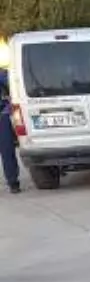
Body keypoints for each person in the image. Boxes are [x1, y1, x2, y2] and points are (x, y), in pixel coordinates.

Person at [0, 66, 21, 194]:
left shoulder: (2, 74)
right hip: (3, 115)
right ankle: (13, 182)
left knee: (7, 150)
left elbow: (12, 87)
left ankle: (13, 182)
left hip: (2, 115)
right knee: (7, 150)